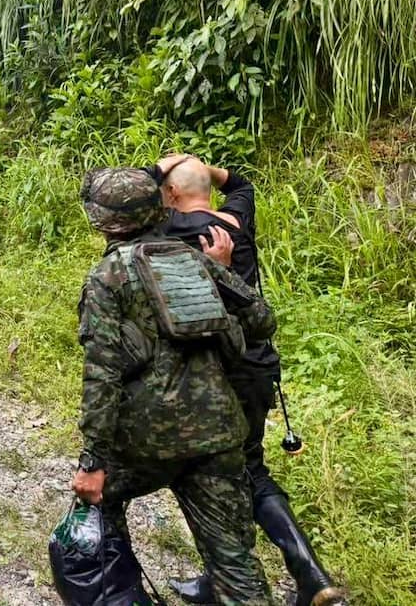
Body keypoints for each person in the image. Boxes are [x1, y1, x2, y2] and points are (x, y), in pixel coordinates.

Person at [72, 165, 278, 605]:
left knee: (96, 514)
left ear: (103, 222)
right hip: (218, 436)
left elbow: (102, 374)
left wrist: (93, 461)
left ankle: (122, 594)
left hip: (148, 443)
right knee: (235, 565)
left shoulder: (107, 278)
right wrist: (219, 278)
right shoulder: (197, 261)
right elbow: (262, 321)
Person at [155, 155, 342, 606]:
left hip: (219, 371)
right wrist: (201, 168)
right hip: (258, 366)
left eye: (165, 189)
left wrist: (169, 167)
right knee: (248, 468)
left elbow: (134, 192)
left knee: (209, 475)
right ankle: (311, 579)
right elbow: (241, 184)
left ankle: (237, 579)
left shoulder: (173, 228)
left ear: (172, 193)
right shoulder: (235, 219)